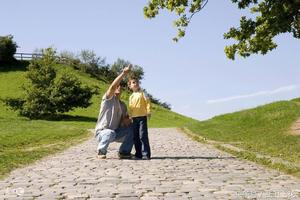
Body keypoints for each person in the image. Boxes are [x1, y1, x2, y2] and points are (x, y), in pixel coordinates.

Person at [95, 65, 134, 159]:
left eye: (119, 87)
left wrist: (134, 118)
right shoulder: (108, 99)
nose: (117, 88)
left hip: (116, 132)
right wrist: (124, 73)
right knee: (109, 133)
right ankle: (101, 151)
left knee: (133, 129)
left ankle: (124, 152)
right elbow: (112, 87)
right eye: (116, 86)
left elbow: (124, 122)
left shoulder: (123, 105)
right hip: (102, 132)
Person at [128, 77, 151, 159]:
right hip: (134, 118)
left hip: (142, 117)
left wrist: (148, 111)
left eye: (137, 82)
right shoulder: (131, 97)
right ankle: (138, 154)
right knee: (136, 136)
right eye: (133, 82)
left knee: (142, 135)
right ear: (130, 86)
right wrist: (130, 116)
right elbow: (130, 107)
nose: (136, 83)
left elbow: (148, 102)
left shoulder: (143, 93)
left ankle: (145, 154)